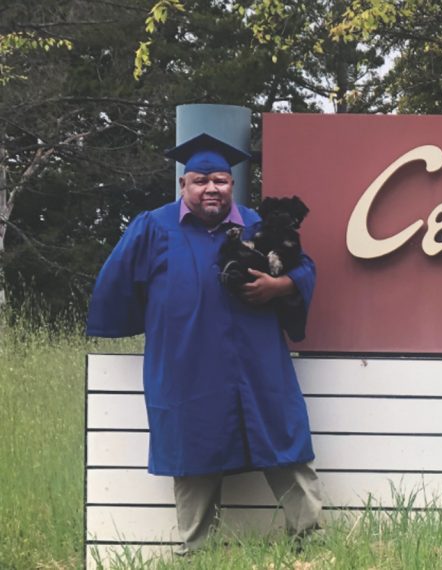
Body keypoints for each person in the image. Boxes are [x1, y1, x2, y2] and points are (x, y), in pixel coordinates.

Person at [86, 132, 322, 555]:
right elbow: (117, 286)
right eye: (200, 180)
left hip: (257, 363)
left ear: (232, 185)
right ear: (183, 186)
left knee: (284, 443)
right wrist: (165, 325)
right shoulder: (153, 228)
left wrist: (280, 285)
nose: (211, 188)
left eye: (220, 180)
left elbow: (305, 269)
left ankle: (311, 541)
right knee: (193, 456)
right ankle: (197, 551)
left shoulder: (257, 226)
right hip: (187, 364)